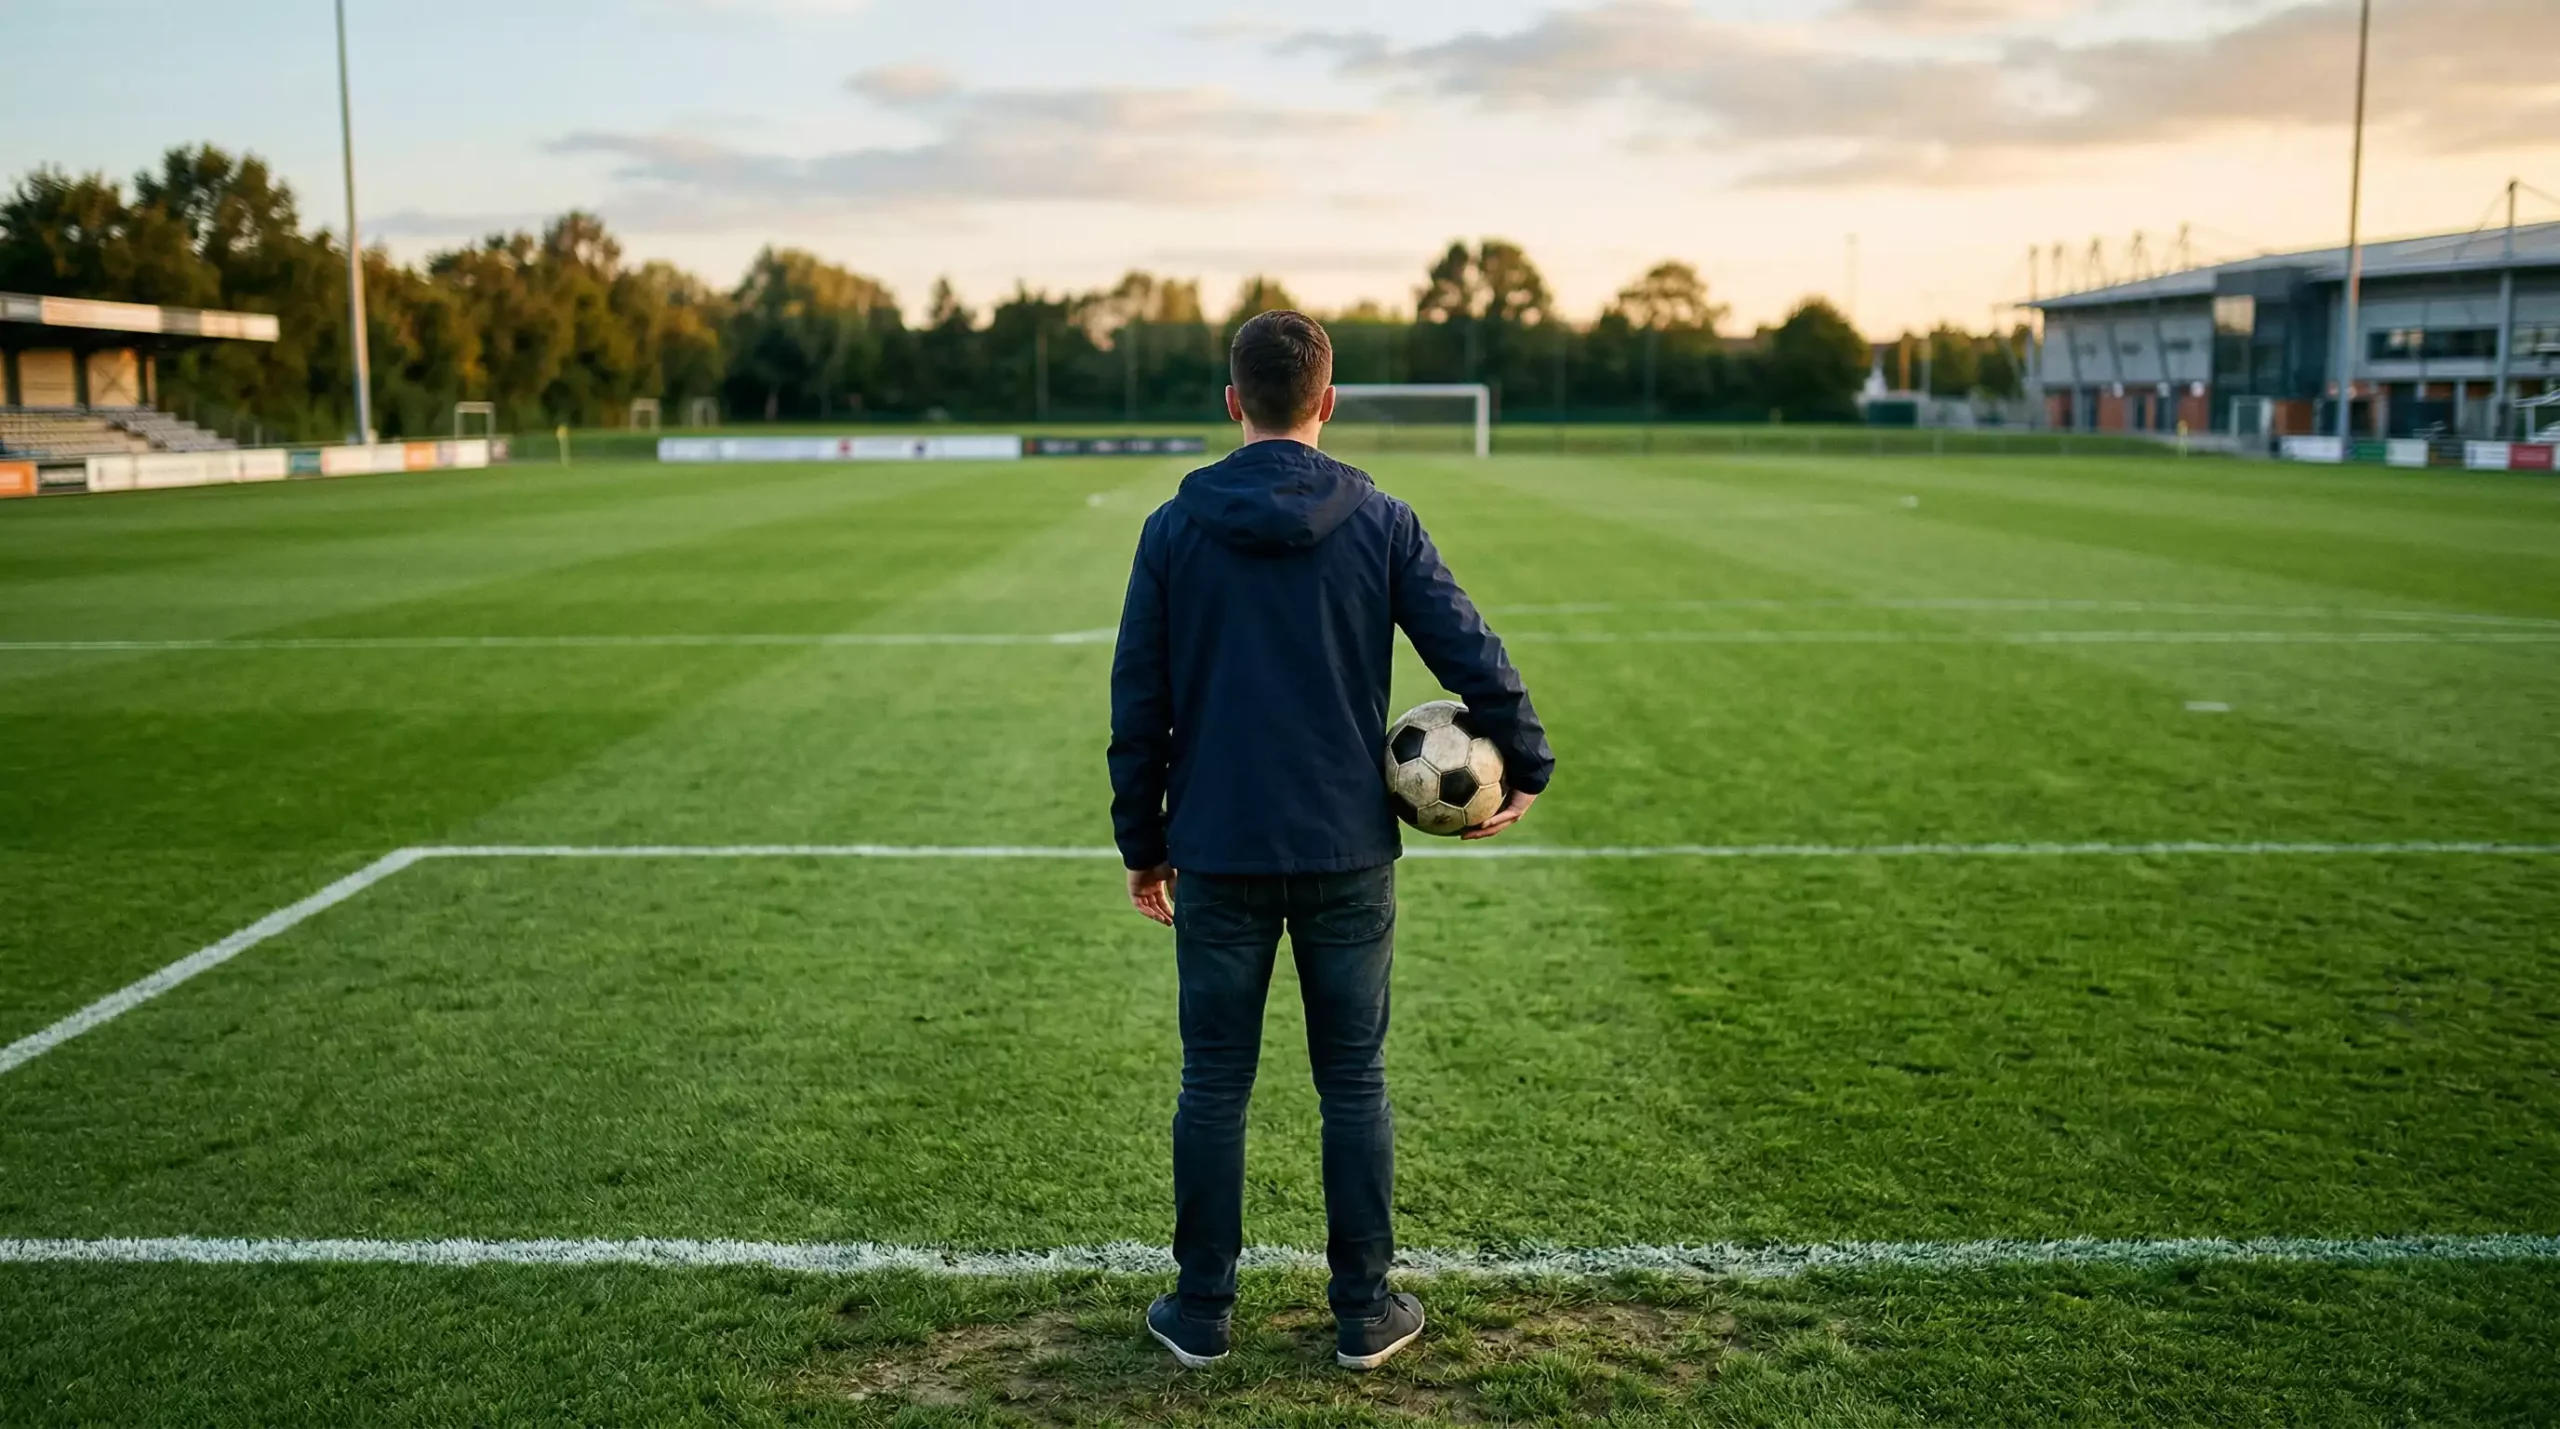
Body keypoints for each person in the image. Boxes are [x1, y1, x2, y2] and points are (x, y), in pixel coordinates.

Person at [1107, 310, 1555, 1372]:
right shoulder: (1382, 519)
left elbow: (1139, 705)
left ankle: (1202, 1310)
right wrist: (1526, 761)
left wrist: (1143, 841)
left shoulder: (1174, 525)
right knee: (1351, 1077)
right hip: (1346, 847)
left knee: (1213, 1081)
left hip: (1215, 843)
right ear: (1327, 397)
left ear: (1232, 401)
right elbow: (1470, 649)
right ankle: (1364, 1312)